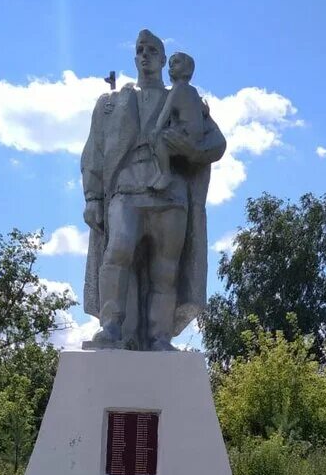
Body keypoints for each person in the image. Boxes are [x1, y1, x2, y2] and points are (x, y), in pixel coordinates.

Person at [81, 29, 226, 351]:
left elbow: (215, 143)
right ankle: (112, 327)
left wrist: (188, 150)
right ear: (135, 57)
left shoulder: (185, 96)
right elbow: (95, 151)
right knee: (117, 252)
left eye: (152, 50)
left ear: (163, 59)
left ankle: (160, 337)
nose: (144, 54)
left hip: (170, 194)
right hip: (126, 189)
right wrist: (93, 197)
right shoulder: (111, 102)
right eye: (140, 50)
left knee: (165, 268)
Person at [151, 52, 204, 193]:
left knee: (158, 139)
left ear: (187, 68)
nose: (172, 66)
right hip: (197, 134)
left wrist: (157, 129)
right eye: (170, 64)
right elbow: (203, 110)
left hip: (185, 131)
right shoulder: (194, 91)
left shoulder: (177, 89)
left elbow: (165, 112)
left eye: (176, 62)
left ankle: (165, 173)